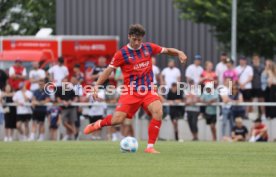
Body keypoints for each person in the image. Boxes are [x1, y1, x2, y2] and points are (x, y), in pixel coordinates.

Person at [84, 24, 187, 153]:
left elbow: (166, 50)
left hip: (148, 90)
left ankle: (150, 147)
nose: (137, 42)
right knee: (118, 120)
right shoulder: (121, 53)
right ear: (129, 37)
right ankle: (98, 124)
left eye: (139, 40)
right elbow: (108, 71)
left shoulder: (148, 47)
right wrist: (95, 86)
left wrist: (179, 52)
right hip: (130, 92)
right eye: (134, 39)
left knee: (158, 111)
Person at [251, 55, 265, 119]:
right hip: (253, 86)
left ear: (259, 60)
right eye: (254, 59)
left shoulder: (262, 67)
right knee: (253, 101)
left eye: (256, 59)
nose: (255, 61)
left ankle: (263, 114)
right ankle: (254, 114)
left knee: (261, 101)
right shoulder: (250, 67)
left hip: (260, 86)